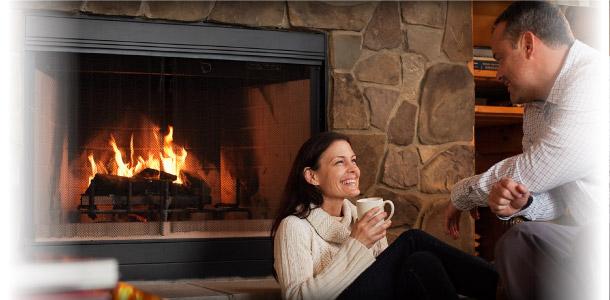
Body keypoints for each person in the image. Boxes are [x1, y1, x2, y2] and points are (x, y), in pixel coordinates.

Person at [444, 2, 607, 299]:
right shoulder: (537, 102)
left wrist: (462, 194)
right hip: (591, 234)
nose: (497, 74)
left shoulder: (594, 82)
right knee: (520, 241)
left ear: (528, 44)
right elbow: (556, 197)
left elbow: (532, 169)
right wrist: (525, 202)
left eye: (500, 58)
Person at [271, 132, 498, 300]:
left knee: (422, 261)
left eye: (353, 160)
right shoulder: (294, 227)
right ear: (312, 176)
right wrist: (357, 244)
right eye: (340, 162)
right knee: (412, 240)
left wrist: (370, 240)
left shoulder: (362, 219)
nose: (353, 169)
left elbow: (383, 276)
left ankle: (497, 286)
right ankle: (500, 286)